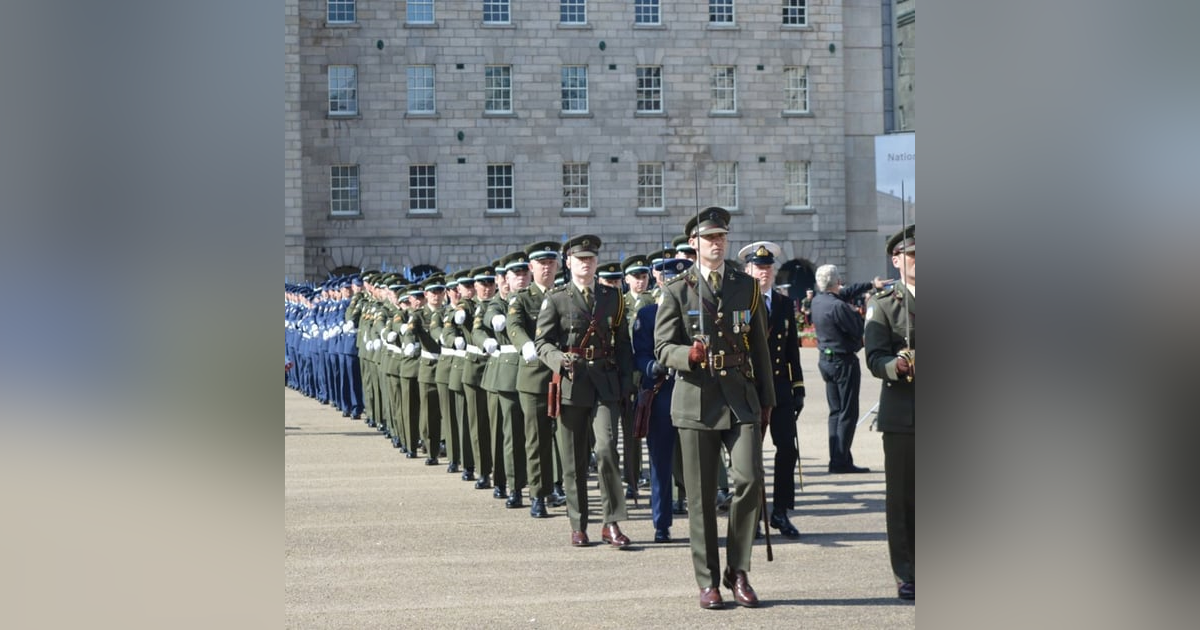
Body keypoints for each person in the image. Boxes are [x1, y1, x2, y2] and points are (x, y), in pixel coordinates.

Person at [654, 206, 775, 610]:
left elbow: (759, 347)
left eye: (722, 236)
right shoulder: (677, 290)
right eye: (709, 238)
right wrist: (688, 354)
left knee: (748, 481)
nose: (717, 243)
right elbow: (661, 348)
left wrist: (769, 400)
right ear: (695, 243)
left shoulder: (746, 286)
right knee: (702, 498)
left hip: (741, 397)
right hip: (697, 399)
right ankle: (708, 580)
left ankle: (738, 569)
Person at [536, 234, 633, 548]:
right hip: (572, 383)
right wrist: (558, 360)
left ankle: (612, 523)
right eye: (581, 259)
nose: (587, 264)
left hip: (605, 383)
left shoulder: (612, 297)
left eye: (591, 259)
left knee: (606, 449)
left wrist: (627, 383)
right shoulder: (557, 298)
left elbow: (623, 344)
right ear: (569, 263)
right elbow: (542, 342)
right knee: (574, 459)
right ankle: (578, 523)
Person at [739, 241, 805, 539]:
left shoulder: (782, 303)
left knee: (787, 449)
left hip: (779, 386)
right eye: (758, 267)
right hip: (750, 388)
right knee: (750, 456)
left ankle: (780, 511)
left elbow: (792, 349)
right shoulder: (740, 302)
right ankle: (753, 516)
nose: (764, 273)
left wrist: (798, 386)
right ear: (747, 270)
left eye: (768, 268)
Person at [864, 224, 916, 601]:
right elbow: (874, 356)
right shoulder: (884, 303)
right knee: (902, 496)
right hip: (905, 412)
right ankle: (907, 571)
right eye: (913, 255)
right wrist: (895, 366)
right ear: (897, 260)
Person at [632, 257, 692, 543]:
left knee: (698, 461)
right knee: (660, 461)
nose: (670, 282)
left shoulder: (695, 310)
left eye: (676, 277)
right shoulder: (647, 314)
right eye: (665, 277)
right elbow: (640, 354)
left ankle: (699, 518)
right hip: (661, 391)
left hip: (693, 390)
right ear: (658, 279)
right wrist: (651, 367)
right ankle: (661, 521)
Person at [811, 264, 887, 473]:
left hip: (826, 361)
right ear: (837, 282)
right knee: (847, 412)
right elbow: (858, 329)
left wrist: (871, 284)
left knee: (835, 412)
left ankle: (838, 456)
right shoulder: (839, 307)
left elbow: (845, 293)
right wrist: (867, 303)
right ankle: (840, 461)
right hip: (843, 361)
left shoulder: (818, 301)